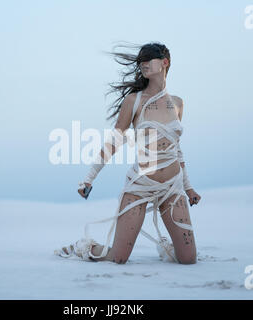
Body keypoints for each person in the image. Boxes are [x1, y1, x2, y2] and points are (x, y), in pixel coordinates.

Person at [54, 42, 201, 264]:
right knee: (118, 257)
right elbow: (113, 142)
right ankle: (84, 246)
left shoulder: (177, 103)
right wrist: (89, 178)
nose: (142, 63)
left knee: (188, 259)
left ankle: (168, 247)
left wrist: (188, 188)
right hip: (141, 186)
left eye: (148, 59)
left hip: (173, 186)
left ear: (164, 62)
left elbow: (176, 149)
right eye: (140, 60)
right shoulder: (134, 101)